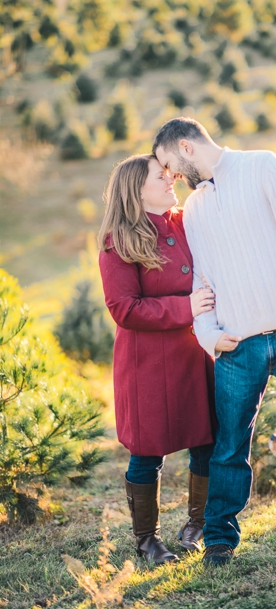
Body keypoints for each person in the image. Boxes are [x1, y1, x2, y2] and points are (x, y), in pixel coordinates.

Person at [151, 117, 276, 568]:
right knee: (229, 446)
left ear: (187, 147)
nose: (170, 176)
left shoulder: (265, 167)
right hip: (237, 345)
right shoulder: (194, 209)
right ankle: (219, 541)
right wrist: (210, 335)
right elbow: (204, 277)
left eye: (169, 164)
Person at [97, 154, 217, 563]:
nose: (170, 180)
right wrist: (187, 307)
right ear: (136, 189)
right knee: (147, 452)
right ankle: (147, 540)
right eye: (160, 176)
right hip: (148, 364)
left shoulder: (185, 221)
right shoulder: (119, 240)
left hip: (195, 355)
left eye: (170, 173)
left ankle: (197, 525)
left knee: (206, 441)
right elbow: (124, 309)